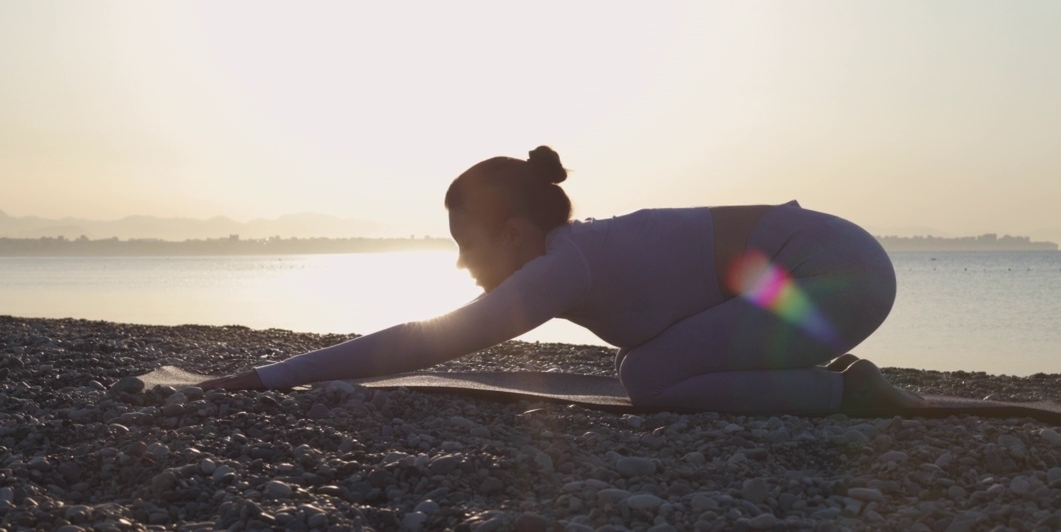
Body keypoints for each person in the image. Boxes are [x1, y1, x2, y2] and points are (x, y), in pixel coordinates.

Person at [200, 146, 922, 415]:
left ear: (515, 232)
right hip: (834, 270)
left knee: (651, 378)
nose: (462, 264)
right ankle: (836, 382)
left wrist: (268, 378)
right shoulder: (580, 254)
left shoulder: (562, 266)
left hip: (837, 274)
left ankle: (845, 392)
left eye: (467, 244)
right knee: (650, 368)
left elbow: (425, 343)